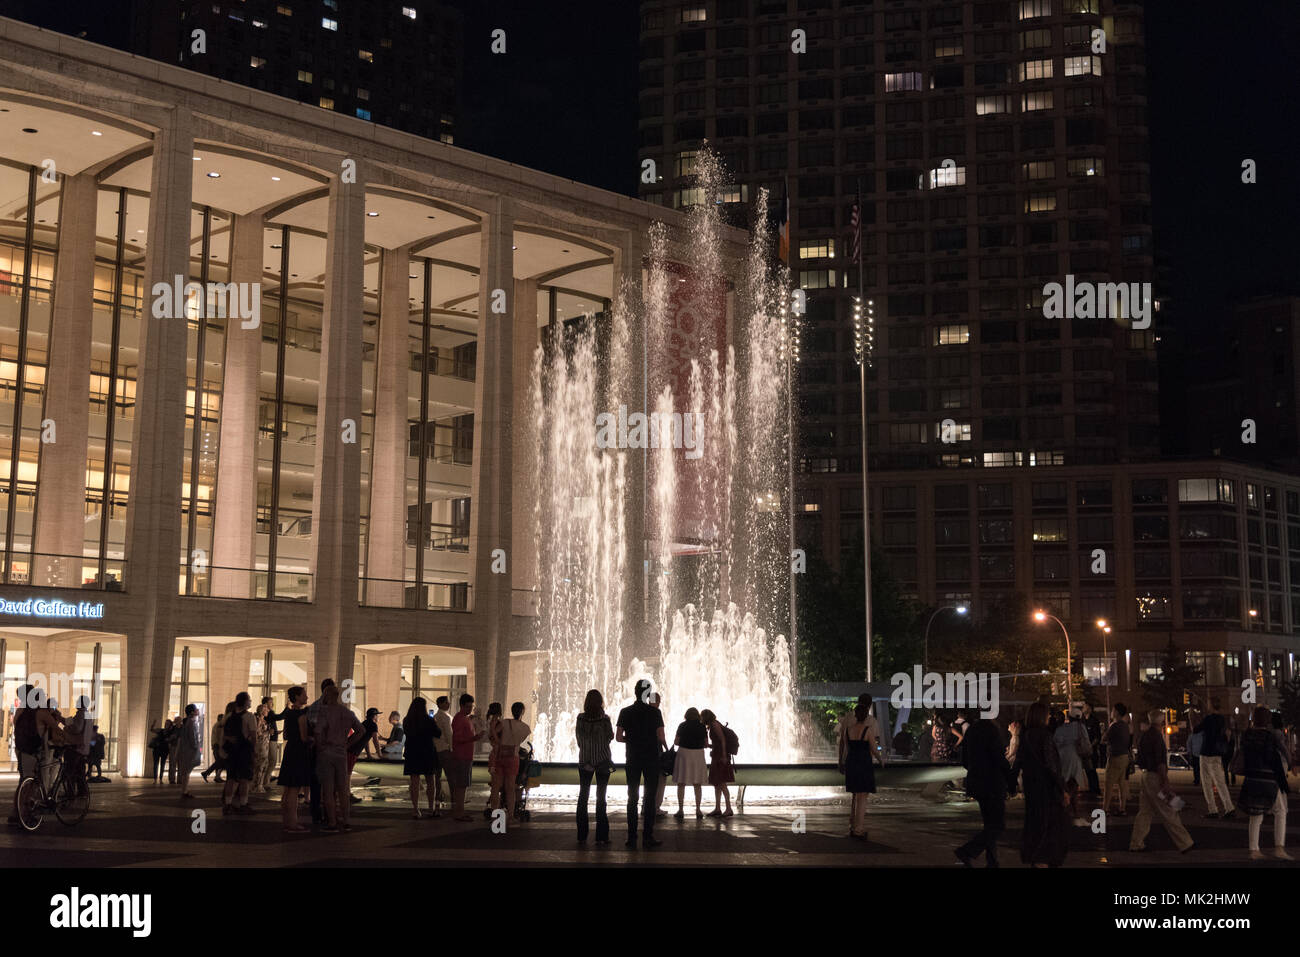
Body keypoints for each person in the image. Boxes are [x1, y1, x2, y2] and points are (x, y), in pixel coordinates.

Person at [1012, 701, 1071, 868]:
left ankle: (1035, 858)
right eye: (1047, 715)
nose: (1049, 717)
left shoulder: (1026, 736)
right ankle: (1042, 861)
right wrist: (1062, 789)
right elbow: (1051, 766)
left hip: (1031, 788)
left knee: (1035, 825)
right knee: (1051, 828)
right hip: (1047, 789)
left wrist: (1011, 782)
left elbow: (1018, 762)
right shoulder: (1045, 736)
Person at [1129, 709, 1195, 854]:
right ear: (1162, 722)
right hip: (1156, 777)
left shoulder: (1144, 736)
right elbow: (1160, 762)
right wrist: (1165, 780)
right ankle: (1185, 842)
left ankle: (1136, 842)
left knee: (1145, 812)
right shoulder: (1157, 738)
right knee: (1168, 810)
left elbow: (1139, 760)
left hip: (1145, 777)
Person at [955, 717, 1016, 867]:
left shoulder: (972, 731)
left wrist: (976, 770)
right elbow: (999, 760)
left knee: (989, 824)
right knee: (997, 825)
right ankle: (968, 850)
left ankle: (992, 860)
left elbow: (965, 760)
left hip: (978, 783)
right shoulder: (991, 732)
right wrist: (1011, 781)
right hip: (993, 783)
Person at [616, 679, 666, 848]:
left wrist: (631, 739)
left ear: (635, 692)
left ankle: (631, 837)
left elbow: (618, 737)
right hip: (651, 758)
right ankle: (648, 836)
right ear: (648, 693)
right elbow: (660, 736)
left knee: (632, 798)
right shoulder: (655, 713)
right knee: (650, 798)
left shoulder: (625, 711)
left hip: (633, 757)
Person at [1236, 707, 1291, 860]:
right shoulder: (1270, 737)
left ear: (1253, 719)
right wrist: (1284, 782)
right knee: (1280, 811)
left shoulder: (1246, 735)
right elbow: (1276, 760)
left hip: (1252, 778)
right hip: (1268, 779)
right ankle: (1279, 848)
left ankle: (1254, 849)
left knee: (1256, 814)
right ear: (1268, 721)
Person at [314, 683, 361, 832]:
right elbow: (361, 730)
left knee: (328, 789)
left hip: (327, 752)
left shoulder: (324, 712)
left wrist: (320, 745)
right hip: (341, 753)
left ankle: (332, 823)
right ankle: (346, 821)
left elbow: (318, 732)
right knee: (343, 789)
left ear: (327, 696)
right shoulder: (346, 712)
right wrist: (347, 743)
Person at [839, 700, 882, 840]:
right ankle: (859, 829)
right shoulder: (867, 730)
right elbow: (874, 749)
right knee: (862, 797)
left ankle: (853, 825)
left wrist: (842, 763)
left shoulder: (847, 730)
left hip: (852, 762)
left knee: (856, 795)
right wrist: (881, 761)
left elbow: (846, 748)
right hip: (863, 763)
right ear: (866, 715)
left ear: (856, 715)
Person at [575, 689, 614, 845]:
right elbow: (609, 737)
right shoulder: (605, 719)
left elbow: (578, 739)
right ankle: (602, 836)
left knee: (583, 797)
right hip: (603, 762)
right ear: (600, 702)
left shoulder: (580, 718)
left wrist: (588, 757)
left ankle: (582, 835)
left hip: (584, 762)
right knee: (601, 797)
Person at [277, 686, 311, 833]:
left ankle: (287, 822)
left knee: (287, 790)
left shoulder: (289, 714)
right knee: (294, 790)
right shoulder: (300, 715)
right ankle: (293, 823)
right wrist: (313, 739)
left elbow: (285, 735)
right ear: (297, 697)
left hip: (289, 751)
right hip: (298, 752)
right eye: (304, 695)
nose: (307, 697)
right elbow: (304, 737)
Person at [401, 697, 440, 818]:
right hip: (427, 752)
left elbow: (407, 733)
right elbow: (438, 733)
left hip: (412, 752)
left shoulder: (407, 720)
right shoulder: (428, 720)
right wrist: (434, 723)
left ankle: (415, 809)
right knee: (430, 780)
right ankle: (431, 807)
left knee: (414, 781)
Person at [1198, 697, 1235, 820]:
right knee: (1220, 782)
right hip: (1217, 753)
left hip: (1206, 753)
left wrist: (1192, 717)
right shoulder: (1222, 719)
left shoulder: (1208, 719)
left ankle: (1213, 809)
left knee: (1206, 783)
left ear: (1211, 706)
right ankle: (1228, 807)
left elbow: (1196, 729)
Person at [1053, 707, 1091, 826]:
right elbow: (1087, 743)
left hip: (1062, 757)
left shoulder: (1061, 729)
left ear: (1068, 717)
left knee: (1064, 783)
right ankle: (1072, 811)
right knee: (1073, 784)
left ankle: (1066, 810)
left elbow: (1054, 742)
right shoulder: (1081, 728)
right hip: (1075, 758)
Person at [449, 693, 484, 821]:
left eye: (471, 706)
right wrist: (474, 738)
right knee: (461, 785)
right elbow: (457, 738)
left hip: (466, 756)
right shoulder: (459, 719)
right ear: (461, 705)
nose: (470, 709)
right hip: (461, 756)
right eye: (468, 706)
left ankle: (460, 811)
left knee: (462, 785)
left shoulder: (466, 718)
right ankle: (459, 812)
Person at [494, 702, 531, 820]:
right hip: (513, 757)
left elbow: (493, 734)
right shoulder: (526, 728)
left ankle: (495, 816)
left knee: (496, 787)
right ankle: (510, 816)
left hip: (500, 757)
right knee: (510, 788)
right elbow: (520, 741)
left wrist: (498, 741)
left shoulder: (504, 723)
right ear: (523, 712)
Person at [221, 693, 257, 815]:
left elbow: (224, 734)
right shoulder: (250, 717)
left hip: (232, 751)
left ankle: (227, 804)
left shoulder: (229, 715)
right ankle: (243, 803)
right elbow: (253, 735)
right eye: (249, 700)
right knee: (244, 779)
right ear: (246, 702)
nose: (250, 702)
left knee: (231, 778)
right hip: (244, 751)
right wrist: (254, 750)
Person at [672, 707, 709, 820]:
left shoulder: (682, 725)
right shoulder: (702, 726)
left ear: (686, 715)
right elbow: (706, 743)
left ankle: (681, 809)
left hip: (684, 754)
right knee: (697, 783)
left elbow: (676, 742)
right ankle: (698, 810)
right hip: (698, 755)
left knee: (681, 783)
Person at [701, 708, 735, 818]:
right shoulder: (713, 725)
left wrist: (724, 756)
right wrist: (710, 746)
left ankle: (729, 808)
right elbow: (718, 742)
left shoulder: (715, 724)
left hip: (720, 757)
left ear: (706, 717)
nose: (701, 719)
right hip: (717, 755)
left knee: (722, 783)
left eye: (702, 717)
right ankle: (717, 808)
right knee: (717, 783)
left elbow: (723, 740)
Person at [1103, 703, 1133, 816]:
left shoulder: (1114, 725)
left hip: (1115, 756)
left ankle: (1105, 809)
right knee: (1122, 784)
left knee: (1108, 784)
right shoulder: (1125, 726)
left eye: (1113, 710)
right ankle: (1122, 808)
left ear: (1116, 712)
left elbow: (1104, 738)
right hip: (1125, 757)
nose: (1111, 712)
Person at [63, 696, 94, 787]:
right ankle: (82, 792)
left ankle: (71, 792)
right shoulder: (88, 715)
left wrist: (66, 728)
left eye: (77, 701)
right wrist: (62, 719)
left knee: (71, 772)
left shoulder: (81, 714)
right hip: (83, 748)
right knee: (80, 773)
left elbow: (76, 728)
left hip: (75, 748)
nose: (76, 702)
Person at [176, 704, 203, 799]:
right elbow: (193, 737)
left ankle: (184, 791)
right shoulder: (191, 722)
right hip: (190, 750)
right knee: (186, 772)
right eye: (196, 709)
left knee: (186, 772)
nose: (198, 710)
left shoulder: (187, 722)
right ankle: (184, 791)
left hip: (186, 749)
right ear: (192, 712)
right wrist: (196, 747)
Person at [483, 702, 504, 815]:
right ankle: (496, 811)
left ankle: (495, 808)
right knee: (496, 786)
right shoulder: (496, 723)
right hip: (497, 756)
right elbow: (496, 740)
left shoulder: (490, 722)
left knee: (495, 785)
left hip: (493, 756)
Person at [432, 696, 453, 811]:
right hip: (445, 749)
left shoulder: (435, 717)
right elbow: (449, 734)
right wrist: (452, 748)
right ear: (440, 704)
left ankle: (438, 797)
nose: (448, 704)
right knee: (450, 775)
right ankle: (454, 799)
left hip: (436, 750)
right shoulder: (445, 717)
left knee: (437, 776)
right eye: (446, 702)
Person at [201, 706, 230, 784]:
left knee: (220, 761)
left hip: (216, 745)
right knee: (220, 761)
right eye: (223, 718)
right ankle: (207, 773)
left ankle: (216, 777)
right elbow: (219, 737)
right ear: (220, 719)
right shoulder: (219, 726)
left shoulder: (216, 725)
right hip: (217, 745)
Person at [1081, 702, 1103, 796]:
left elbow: (1098, 737)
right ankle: (1091, 788)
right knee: (1087, 770)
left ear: (1089, 708)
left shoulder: (1094, 721)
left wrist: (1090, 746)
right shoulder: (1082, 720)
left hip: (1091, 750)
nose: (1083, 708)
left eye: (1085, 706)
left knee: (1092, 770)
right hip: (1084, 749)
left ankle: (1096, 789)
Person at [251, 701, 272, 797]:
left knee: (264, 764)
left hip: (265, 745)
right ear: (262, 711)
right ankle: (257, 785)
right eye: (266, 709)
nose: (268, 710)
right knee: (260, 765)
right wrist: (268, 733)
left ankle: (259, 784)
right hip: (260, 746)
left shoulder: (264, 720)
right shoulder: (259, 720)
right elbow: (257, 733)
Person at [261, 696, 280, 793]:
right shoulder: (270, 713)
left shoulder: (268, 714)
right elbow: (279, 717)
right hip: (270, 740)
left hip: (271, 739)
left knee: (270, 761)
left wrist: (276, 732)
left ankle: (265, 782)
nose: (272, 704)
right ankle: (265, 782)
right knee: (272, 761)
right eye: (271, 702)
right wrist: (287, 708)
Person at [166, 713, 183, 785]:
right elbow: (168, 737)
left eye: (179, 720)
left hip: (181, 748)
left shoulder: (183, 728)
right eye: (177, 720)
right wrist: (171, 738)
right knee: (172, 763)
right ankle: (172, 779)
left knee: (181, 764)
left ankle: (180, 779)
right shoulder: (172, 728)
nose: (178, 721)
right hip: (173, 747)